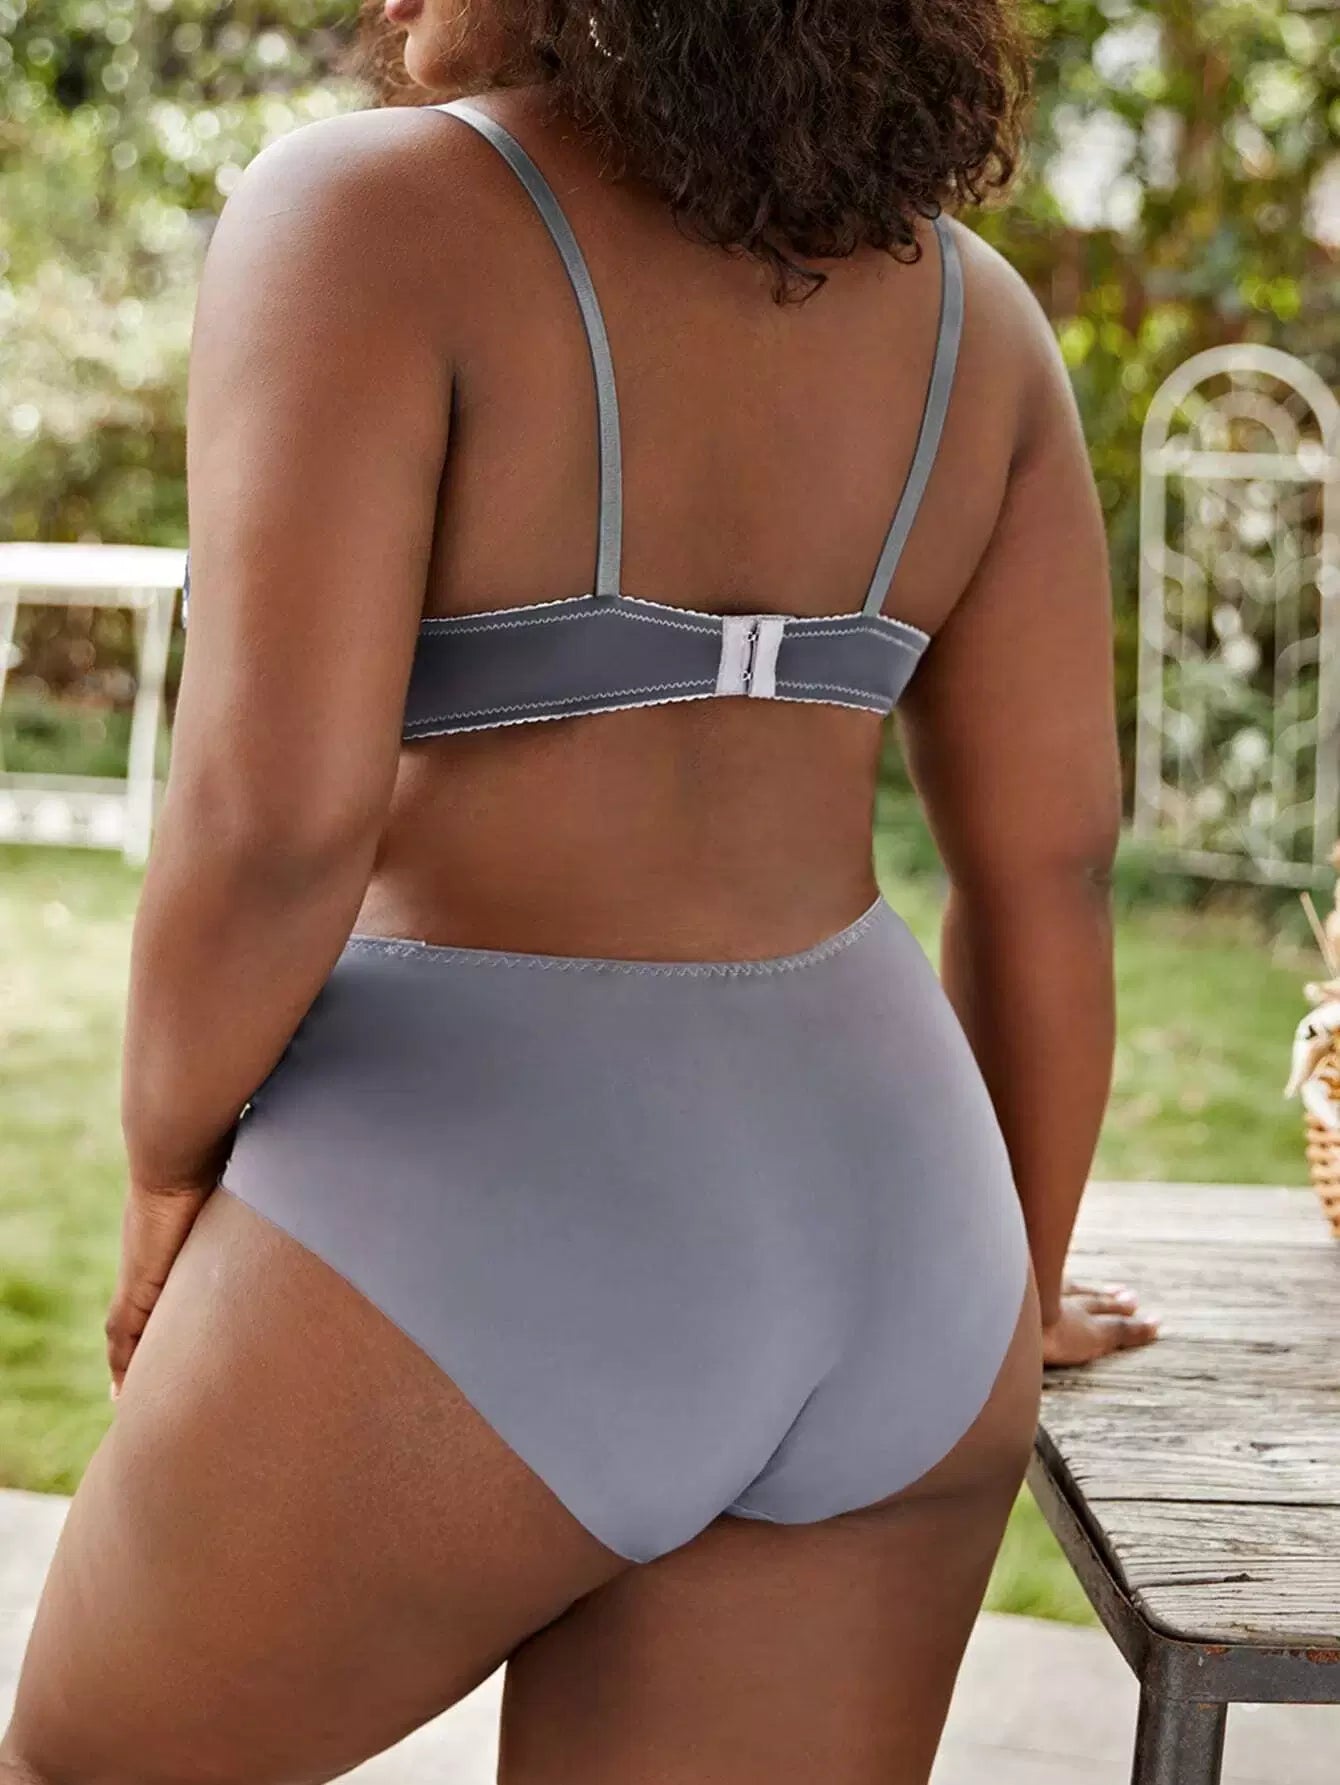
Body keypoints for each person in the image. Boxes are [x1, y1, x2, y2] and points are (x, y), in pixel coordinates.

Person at [1, 2, 1157, 1780]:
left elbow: (275, 824)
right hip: (898, 1226)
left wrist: (169, 1166)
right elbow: (1052, 869)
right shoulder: (977, 321)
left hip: (484, 1201)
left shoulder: (366, 217)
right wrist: (1019, 1279)